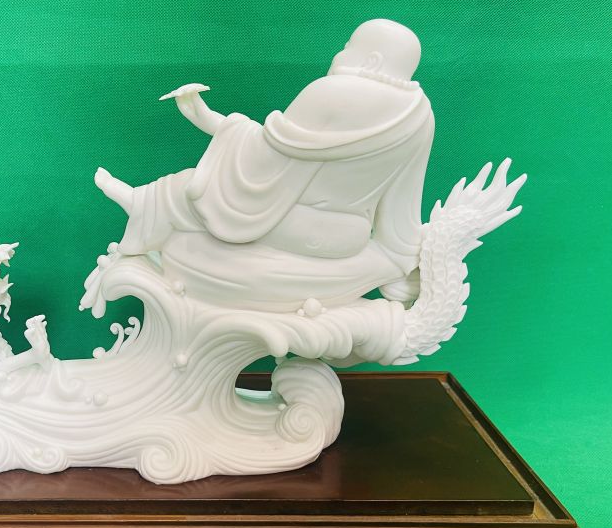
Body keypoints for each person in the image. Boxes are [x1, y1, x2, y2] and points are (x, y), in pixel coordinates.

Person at [95, 19, 434, 311]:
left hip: (298, 224)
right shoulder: (420, 116)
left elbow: (267, 153)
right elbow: (404, 195)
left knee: (191, 186)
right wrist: (401, 258)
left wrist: (213, 121)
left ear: (372, 60)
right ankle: (143, 206)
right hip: (349, 236)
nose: (339, 54)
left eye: (346, 48)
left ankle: (142, 204)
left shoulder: (334, 91)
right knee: (201, 188)